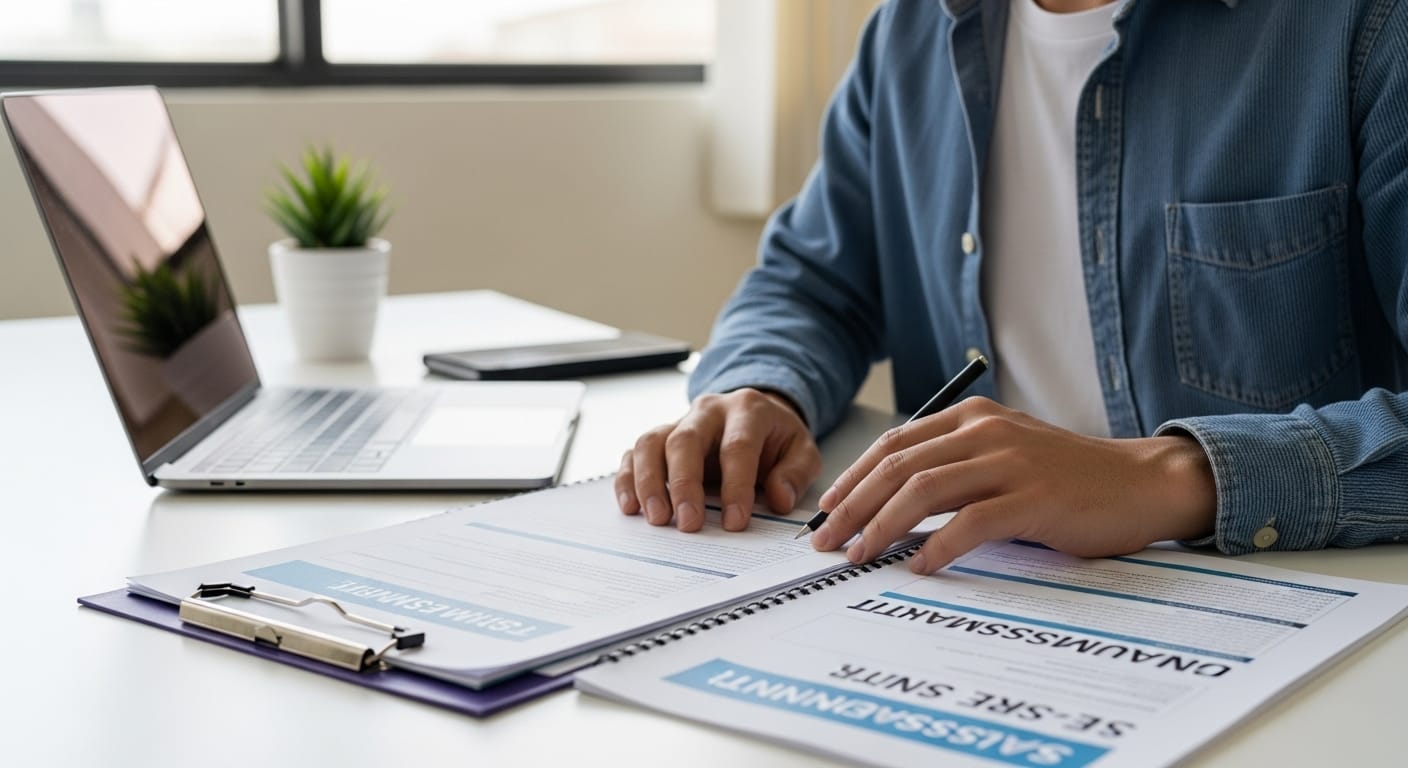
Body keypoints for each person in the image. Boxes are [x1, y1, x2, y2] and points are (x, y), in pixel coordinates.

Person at [615, 0, 1408, 574]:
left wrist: (1165, 478)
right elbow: (810, 285)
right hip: (964, 606)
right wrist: (762, 389)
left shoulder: (1365, 27)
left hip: (1290, 617)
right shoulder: (910, 31)